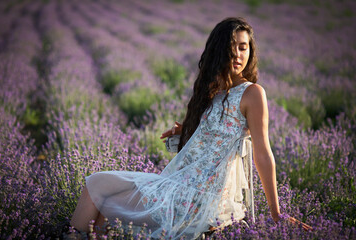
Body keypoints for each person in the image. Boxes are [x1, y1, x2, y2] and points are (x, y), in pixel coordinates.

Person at [68, 17, 310, 239]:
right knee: (97, 187)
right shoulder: (216, 91)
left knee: (100, 197)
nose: (237, 54)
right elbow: (219, 132)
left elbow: (263, 153)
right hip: (181, 183)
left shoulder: (252, 93)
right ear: (218, 51)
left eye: (243, 47)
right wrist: (187, 130)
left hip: (199, 197)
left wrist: (276, 213)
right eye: (231, 47)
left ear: (250, 50)